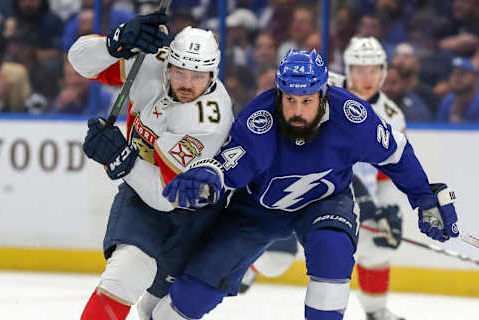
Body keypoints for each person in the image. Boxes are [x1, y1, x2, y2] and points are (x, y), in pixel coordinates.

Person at [153, 49, 459, 320]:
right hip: (257, 211)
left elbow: (396, 154)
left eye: (307, 101)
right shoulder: (260, 119)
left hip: (326, 201)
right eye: (290, 100)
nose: (297, 111)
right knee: (194, 295)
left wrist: (425, 200)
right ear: (279, 94)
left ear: (324, 93)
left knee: (332, 251)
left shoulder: (352, 117)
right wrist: (210, 176)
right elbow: (231, 166)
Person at [68, 12, 233, 320]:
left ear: (213, 75)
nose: (187, 83)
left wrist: (122, 158)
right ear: (168, 62)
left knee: (159, 312)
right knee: (125, 275)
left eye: (199, 76)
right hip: (141, 200)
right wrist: (114, 44)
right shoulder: (151, 63)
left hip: (197, 215)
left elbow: (165, 196)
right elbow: (79, 61)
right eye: (180, 72)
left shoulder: (209, 121)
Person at [240, 36, 409, 320]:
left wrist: (388, 209)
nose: (365, 78)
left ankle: (376, 311)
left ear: (384, 71)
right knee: (275, 259)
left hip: (339, 199)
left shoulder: (392, 116)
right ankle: (248, 266)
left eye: (373, 70)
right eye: (358, 69)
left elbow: (386, 169)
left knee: (379, 243)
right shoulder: (321, 88)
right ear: (347, 68)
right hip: (293, 184)